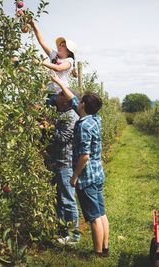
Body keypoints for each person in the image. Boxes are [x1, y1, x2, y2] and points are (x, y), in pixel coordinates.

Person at [50, 73, 110, 257]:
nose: (78, 102)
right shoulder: (94, 118)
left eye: (81, 100)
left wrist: (74, 176)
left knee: (92, 218)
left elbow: (84, 156)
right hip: (97, 173)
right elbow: (73, 98)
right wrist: (59, 82)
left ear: (83, 106)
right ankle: (105, 248)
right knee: (101, 213)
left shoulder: (83, 126)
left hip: (87, 176)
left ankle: (97, 252)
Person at [45, 91, 81, 245]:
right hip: (59, 162)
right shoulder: (63, 113)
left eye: (59, 96)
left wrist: (49, 127)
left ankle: (74, 236)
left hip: (65, 163)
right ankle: (63, 231)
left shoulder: (71, 116)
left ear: (65, 101)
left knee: (68, 199)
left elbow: (63, 138)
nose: (55, 99)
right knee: (60, 199)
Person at [30, 20, 78, 94]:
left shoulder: (69, 60)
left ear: (68, 51)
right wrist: (34, 26)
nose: (59, 46)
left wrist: (40, 62)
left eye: (63, 46)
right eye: (60, 45)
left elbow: (58, 68)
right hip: (50, 90)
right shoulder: (54, 55)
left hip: (61, 92)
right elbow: (42, 42)